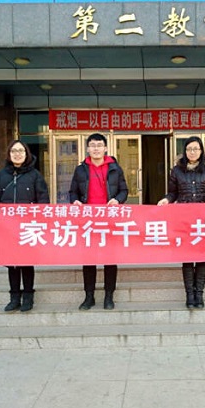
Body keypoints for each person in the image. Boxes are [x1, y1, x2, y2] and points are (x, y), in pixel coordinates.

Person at [0, 140, 49, 312]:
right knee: (11, 263)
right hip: (7, 228)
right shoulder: (1, 175)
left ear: (26, 154)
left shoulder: (35, 176)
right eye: (14, 151)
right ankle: (14, 297)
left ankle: (28, 296)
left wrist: (39, 219)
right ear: (9, 154)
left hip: (27, 227)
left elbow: (43, 200)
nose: (17, 154)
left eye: (20, 151)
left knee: (26, 262)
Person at [158, 136, 205, 309]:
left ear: (201, 151)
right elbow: (173, 193)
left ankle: (199, 294)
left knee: (202, 259)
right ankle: (189, 295)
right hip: (184, 220)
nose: (192, 152)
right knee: (187, 259)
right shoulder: (177, 171)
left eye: (196, 149)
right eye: (189, 149)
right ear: (184, 151)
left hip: (202, 220)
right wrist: (166, 200)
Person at [69, 133, 128, 311]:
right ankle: (89, 296)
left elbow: (124, 190)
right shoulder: (81, 170)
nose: (96, 148)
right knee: (89, 259)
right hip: (88, 222)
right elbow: (73, 192)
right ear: (87, 148)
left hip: (109, 221)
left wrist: (117, 200)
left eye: (99, 145)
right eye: (92, 145)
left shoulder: (115, 169)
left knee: (110, 259)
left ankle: (109, 296)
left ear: (105, 148)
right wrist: (75, 201)